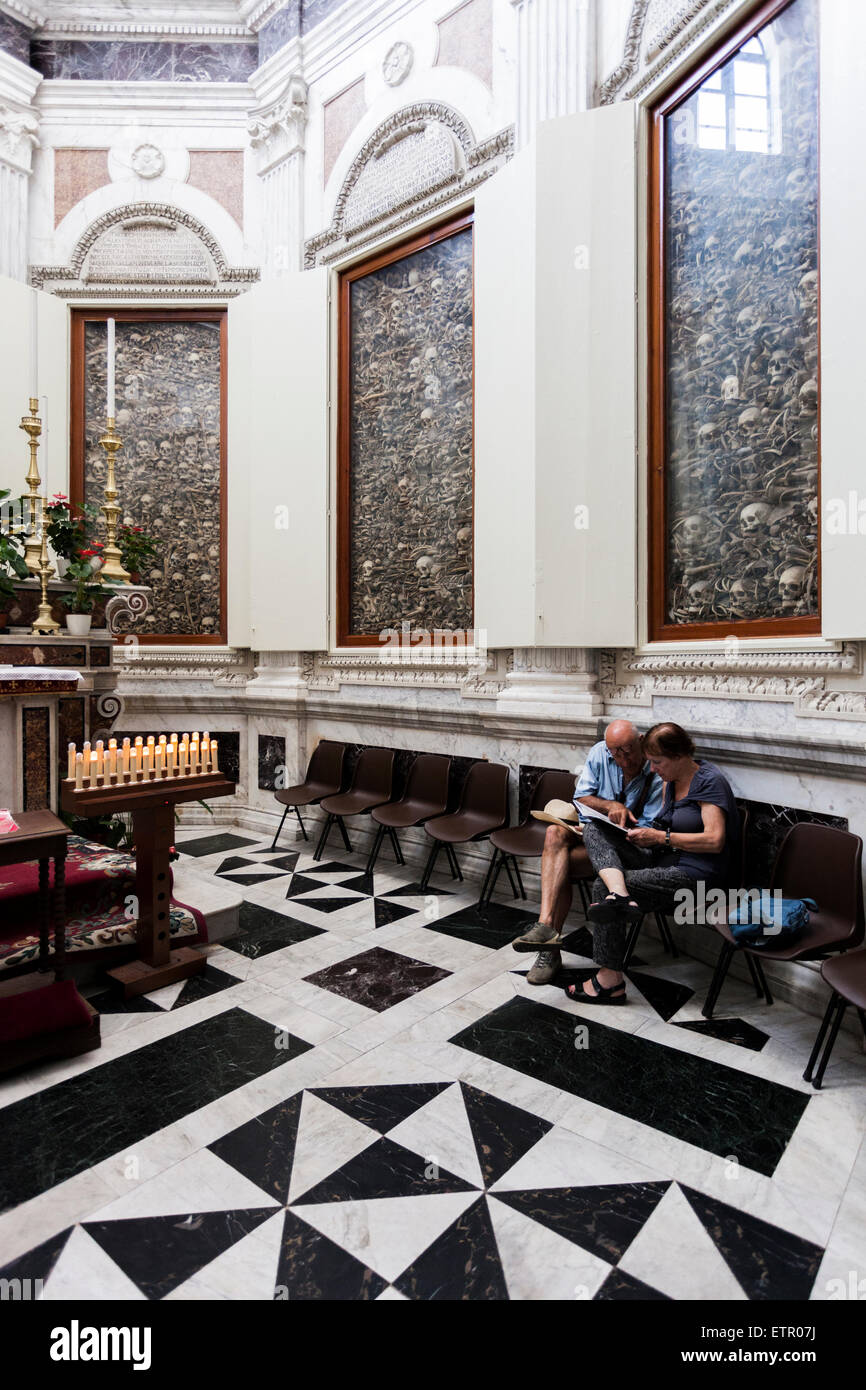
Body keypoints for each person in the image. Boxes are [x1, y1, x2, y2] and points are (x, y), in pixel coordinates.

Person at [562, 721, 739, 1005]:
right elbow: (660, 827)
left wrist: (661, 837)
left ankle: (610, 980)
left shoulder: (708, 781)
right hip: (661, 860)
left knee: (600, 886)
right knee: (596, 827)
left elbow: (715, 840)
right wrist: (634, 835)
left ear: (680, 756)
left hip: (696, 875)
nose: (653, 770)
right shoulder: (671, 781)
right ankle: (619, 894)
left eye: (657, 762)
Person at [511, 720, 664, 985]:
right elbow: (581, 797)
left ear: (640, 741)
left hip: (629, 847)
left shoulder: (657, 770)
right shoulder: (600, 752)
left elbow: (649, 832)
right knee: (554, 833)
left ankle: (549, 948)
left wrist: (620, 823)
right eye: (615, 753)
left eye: (627, 750)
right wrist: (608, 807)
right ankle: (545, 925)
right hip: (596, 836)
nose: (622, 759)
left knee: (562, 865)